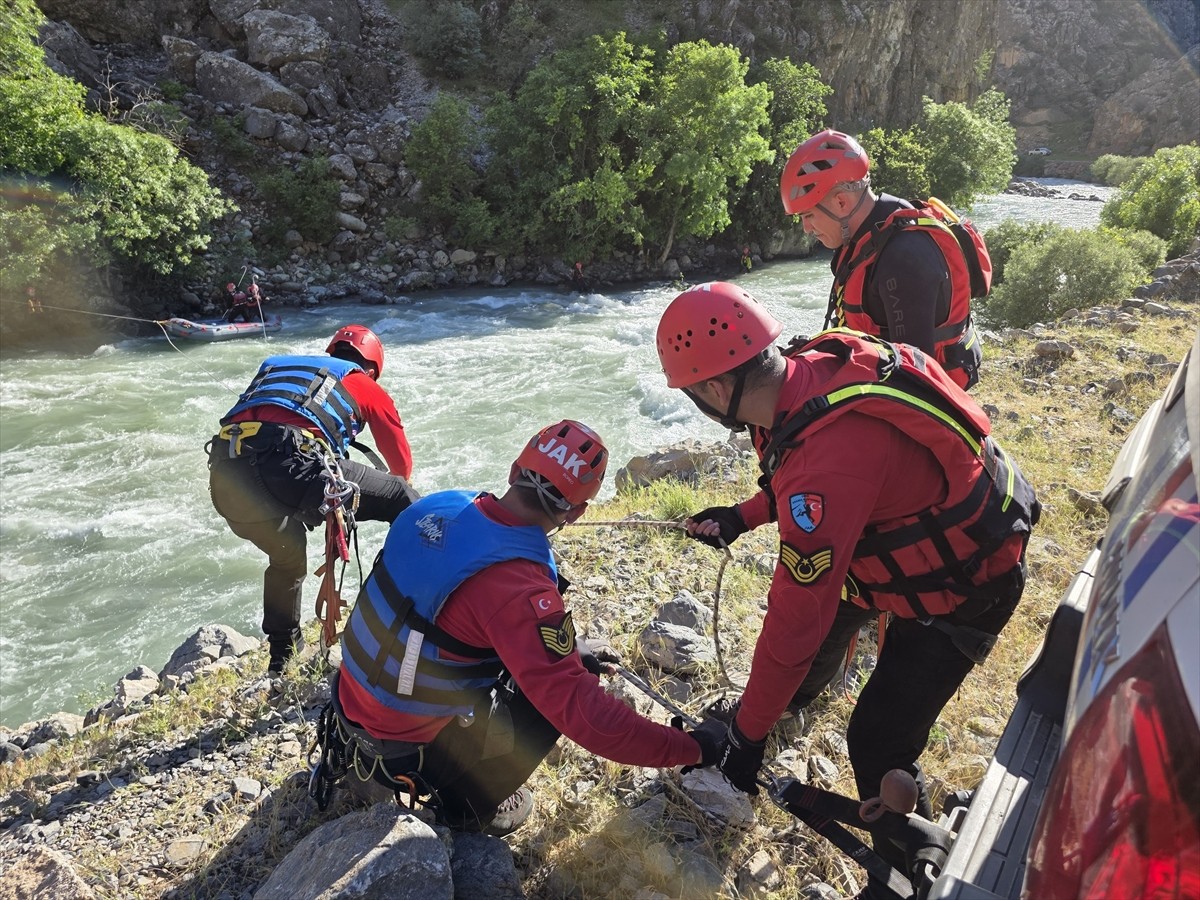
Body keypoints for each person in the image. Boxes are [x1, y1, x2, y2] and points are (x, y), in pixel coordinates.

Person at [656, 282, 1038, 897]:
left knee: (876, 738)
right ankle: (789, 706)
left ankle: (906, 860)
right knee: (832, 628)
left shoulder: (825, 463)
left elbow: (793, 620)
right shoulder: (811, 370)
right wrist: (743, 514)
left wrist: (747, 740)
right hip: (906, 545)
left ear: (713, 390)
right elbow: (811, 474)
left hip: (963, 584)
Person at [315, 420, 718, 836]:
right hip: (406, 751)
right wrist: (694, 748)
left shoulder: (433, 506)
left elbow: (445, 614)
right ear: (576, 513)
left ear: (513, 471)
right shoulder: (520, 589)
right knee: (551, 708)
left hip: (351, 704)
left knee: (534, 660)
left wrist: (568, 649)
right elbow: (586, 718)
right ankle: (467, 807)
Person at [208, 324, 419, 674]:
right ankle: (406, 610)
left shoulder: (277, 366)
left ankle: (283, 655)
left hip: (226, 475)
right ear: (370, 369)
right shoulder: (363, 383)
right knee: (403, 498)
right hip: (292, 463)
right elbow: (401, 468)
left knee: (286, 552)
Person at [780, 129, 984, 390]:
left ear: (841, 202)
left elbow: (915, 381)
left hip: (926, 401)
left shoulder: (902, 261)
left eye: (808, 216)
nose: (806, 229)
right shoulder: (869, 231)